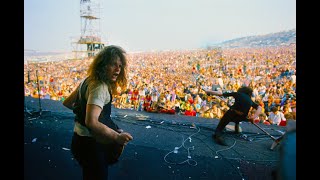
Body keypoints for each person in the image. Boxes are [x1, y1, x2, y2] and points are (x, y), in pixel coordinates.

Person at [63, 45, 133, 180]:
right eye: (113, 64)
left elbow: (68, 103)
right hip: (93, 146)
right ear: (102, 65)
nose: (118, 69)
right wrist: (117, 137)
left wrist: (84, 111)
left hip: (78, 140)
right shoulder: (99, 87)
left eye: (120, 65)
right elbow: (92, 122)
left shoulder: (87, 80)